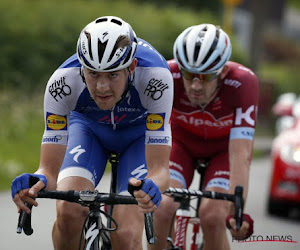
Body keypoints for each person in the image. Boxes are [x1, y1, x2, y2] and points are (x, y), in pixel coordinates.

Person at [11, 16, 173, 250]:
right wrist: (38, 181)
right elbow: (48, 170)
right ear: (81, 67)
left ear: (132, 67)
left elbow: (160, 171)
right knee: (68, 211)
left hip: (138, 136)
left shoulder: (156, 78)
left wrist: (153, 186)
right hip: (89, 130)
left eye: (113, 74)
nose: (102, 87)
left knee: (126, 234)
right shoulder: (61, 83)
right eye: (93, 74)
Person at [151, 23, 258, 250]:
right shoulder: (167, 75)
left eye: (206, 76)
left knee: (212, 216)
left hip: (223, 151)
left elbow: (241, 154)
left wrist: (237, 211)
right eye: (188, 74)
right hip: (181, 146)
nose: (195, 85)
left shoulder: (243, 83)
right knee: (161, 208)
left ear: (223, 71)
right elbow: (154, 137)